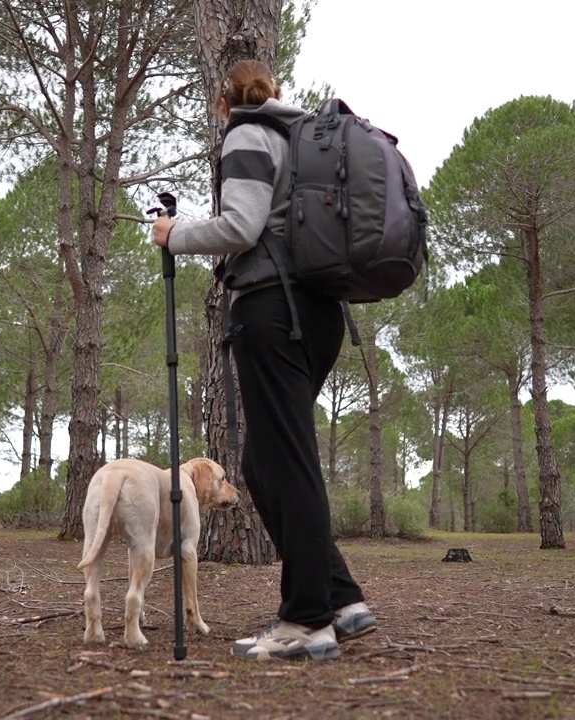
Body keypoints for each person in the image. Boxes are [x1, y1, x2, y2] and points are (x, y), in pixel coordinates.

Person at [151, 59, 376, 662]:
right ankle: (342, 599)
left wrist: (174, 233)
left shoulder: (248, 134)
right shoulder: (297, 138)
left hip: (276, 311)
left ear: (223, 99)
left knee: (286, 462)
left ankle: (306, 620)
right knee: (267, 461)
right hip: (318, 314)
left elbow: (241, 225)